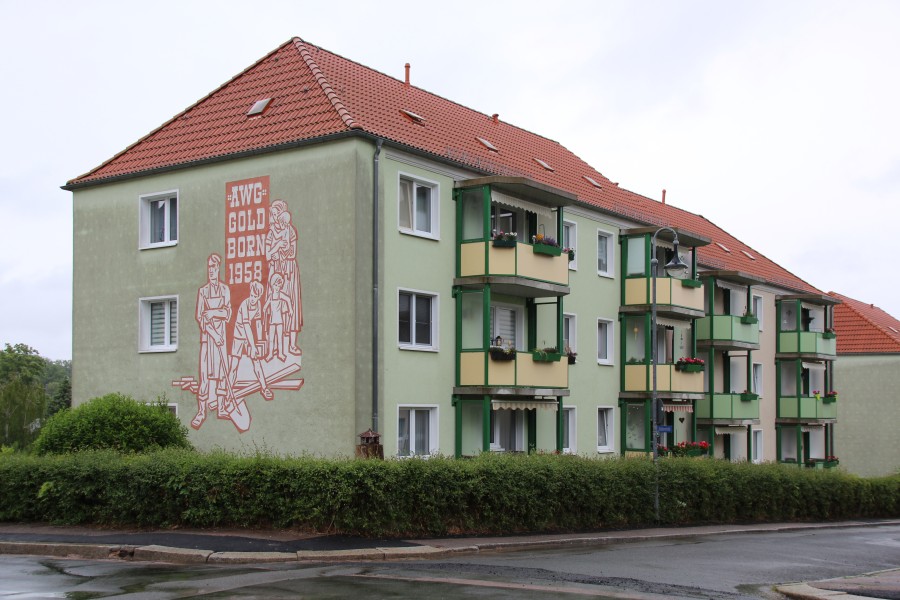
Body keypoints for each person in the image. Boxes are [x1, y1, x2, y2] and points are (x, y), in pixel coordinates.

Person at [194, 253, 232, 428]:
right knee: (204, 376)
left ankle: (222, 406)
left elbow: (228, 313)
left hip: (221, 340)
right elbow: (200, 318)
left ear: (218, 269)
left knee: (222, 373)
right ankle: (201, 411)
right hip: (207, 340)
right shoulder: (203, 291)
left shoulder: (225, 290)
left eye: (213, 267)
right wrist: (213, 333)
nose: (210, 271)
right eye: (209, 267)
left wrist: (213, 313)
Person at [229, 280, 272, 400]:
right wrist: (253, 346)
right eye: (252, 295)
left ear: (259, 296)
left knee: (256, 362)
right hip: (239, 335)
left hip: (249, 338)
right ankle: (229, 390)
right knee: (234, 365)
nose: (253, 298)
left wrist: (259, 342)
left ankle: (264, 388)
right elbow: (247, 327)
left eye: (255, 296)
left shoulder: (258, 305)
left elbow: (257, 324)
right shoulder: (244, 305)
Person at [264, 273, 292, 362]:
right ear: (272, 285)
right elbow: (265, 306)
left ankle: (280, 354)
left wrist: (290, 309)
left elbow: (288, 299)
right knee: (271, 338)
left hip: (279, 320)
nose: (277, 287)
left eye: (279, 286)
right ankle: (270, 354)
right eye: (275, 285)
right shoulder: (271, 296)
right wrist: (264, 310)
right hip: (272, 321)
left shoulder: (280, 294)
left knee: (280, 338)